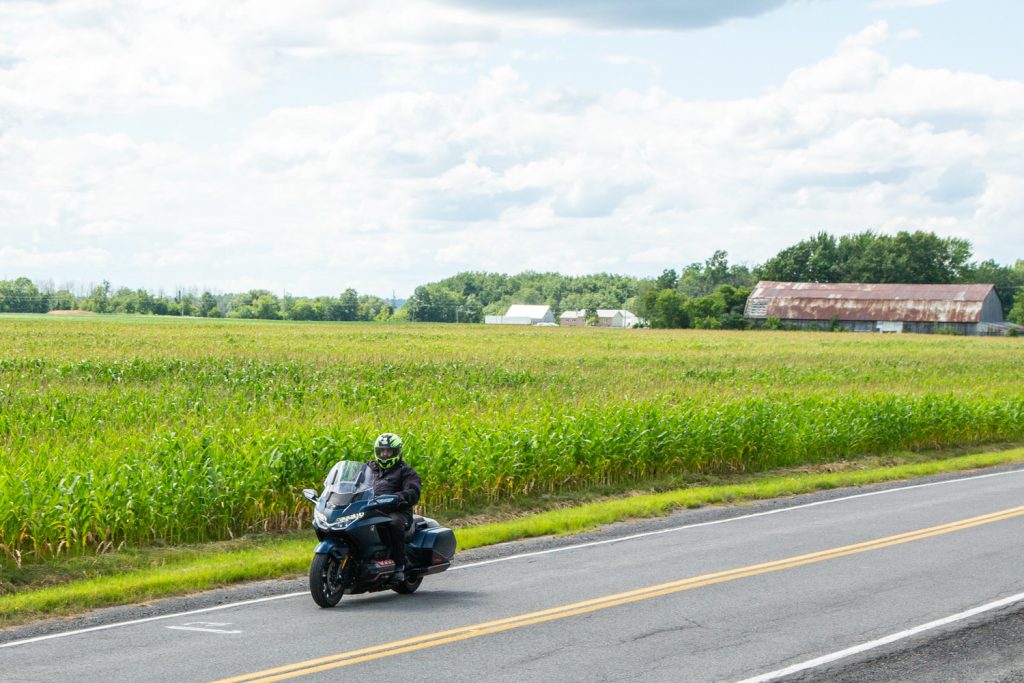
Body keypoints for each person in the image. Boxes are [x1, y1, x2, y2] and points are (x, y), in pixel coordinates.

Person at [367, 432, 421, 583]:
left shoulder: (405, 471)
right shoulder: (369, 468)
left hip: (398, 511)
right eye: (381, 451)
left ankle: (399, 566)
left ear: (397, 452)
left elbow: (413, 491)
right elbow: (354, 481)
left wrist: (399, 497)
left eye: (388, 451)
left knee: (393, 523)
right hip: (371, 509)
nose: (384, 455)